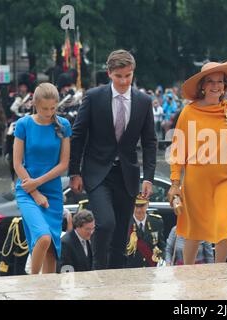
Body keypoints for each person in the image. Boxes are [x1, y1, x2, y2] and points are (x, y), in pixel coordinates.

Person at [69, 49, 157, 270]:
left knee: (120, 236)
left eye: (128, 76)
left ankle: (116, 283)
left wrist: (148, 177)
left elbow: (150, 142)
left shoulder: (143, 101)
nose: (124, 81)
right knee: (106, 223)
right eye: (119, 76)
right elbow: (78, 135)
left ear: (132, 73)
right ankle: (97, 269)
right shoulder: (94, 96)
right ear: (109, 73)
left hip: (127, 175)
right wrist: (74, 171)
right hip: (97, 172)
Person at [167, 61, 227, 264]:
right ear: (202, 85)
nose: (216, 86)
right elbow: (177, 150)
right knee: (194, 231)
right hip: (196, 181)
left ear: (225, 86)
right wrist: (175, 183)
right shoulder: (188, 112)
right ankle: (188, 273)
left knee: (224, 226)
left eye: (220, 82)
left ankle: (219, 273)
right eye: (211, 81)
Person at [13, 83, 72, 274]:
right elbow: (17, 164)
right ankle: (32, 283)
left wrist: (38, 183)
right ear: (35, 104)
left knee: (52, 252)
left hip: (53, 193)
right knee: (43, 238)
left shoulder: (63, 125)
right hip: (27, 190)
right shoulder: (23, 124)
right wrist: (35, 191)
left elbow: (63, 164)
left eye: (53, 108)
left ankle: (47, 293)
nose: (49, 112)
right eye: (45, 108)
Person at [125, 195, 165, 268]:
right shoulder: (125, 223)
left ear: (147, 204)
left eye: (142, 206)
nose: (139, 210)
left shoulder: (156, 222)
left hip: (151, 268)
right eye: (136, 206)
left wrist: (161, 260)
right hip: (130, 269)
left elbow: (161, 246)